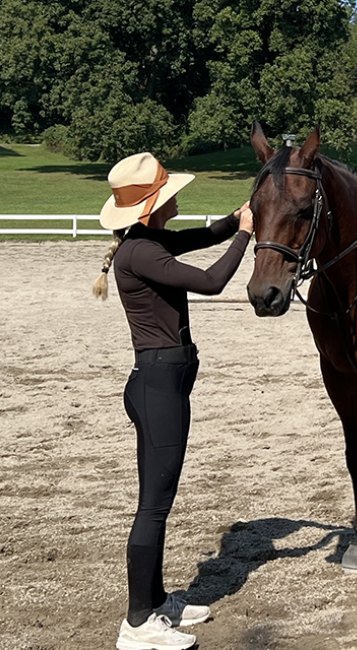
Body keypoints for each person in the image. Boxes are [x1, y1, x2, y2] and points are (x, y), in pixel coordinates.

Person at [91, 151, 253, 650]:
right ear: (152, 205)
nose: (178, 196)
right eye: (169, 192)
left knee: (157, 502)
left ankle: (158, 601)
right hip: (158, 386)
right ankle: (138, 622)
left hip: (163, 382)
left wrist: (243, 213)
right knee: (153, 507)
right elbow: (212, 280)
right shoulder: (140, 252)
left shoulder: (147, 241)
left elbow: (203, 237)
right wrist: (247, 235)